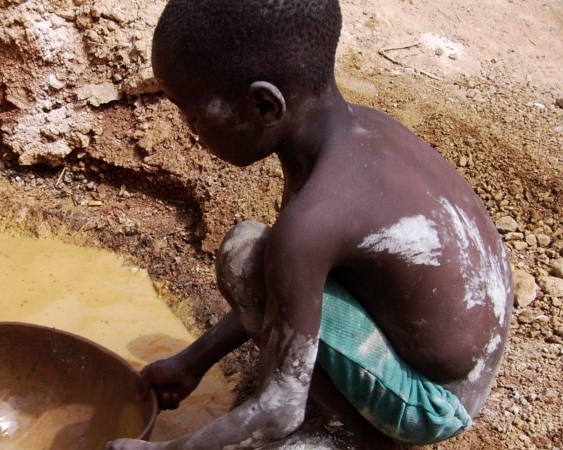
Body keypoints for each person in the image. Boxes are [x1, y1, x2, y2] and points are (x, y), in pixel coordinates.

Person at [107, 0, 513, 448]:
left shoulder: (314, 218)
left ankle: (354, 436)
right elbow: (288, 290)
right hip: (461, 360)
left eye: (195, 116)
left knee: (245, 256)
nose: (191, 130)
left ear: (264, 105)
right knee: (261, 256)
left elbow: (279, 408)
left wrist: (163, 449)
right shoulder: (354, 133)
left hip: (429, 402)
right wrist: (191, 363)